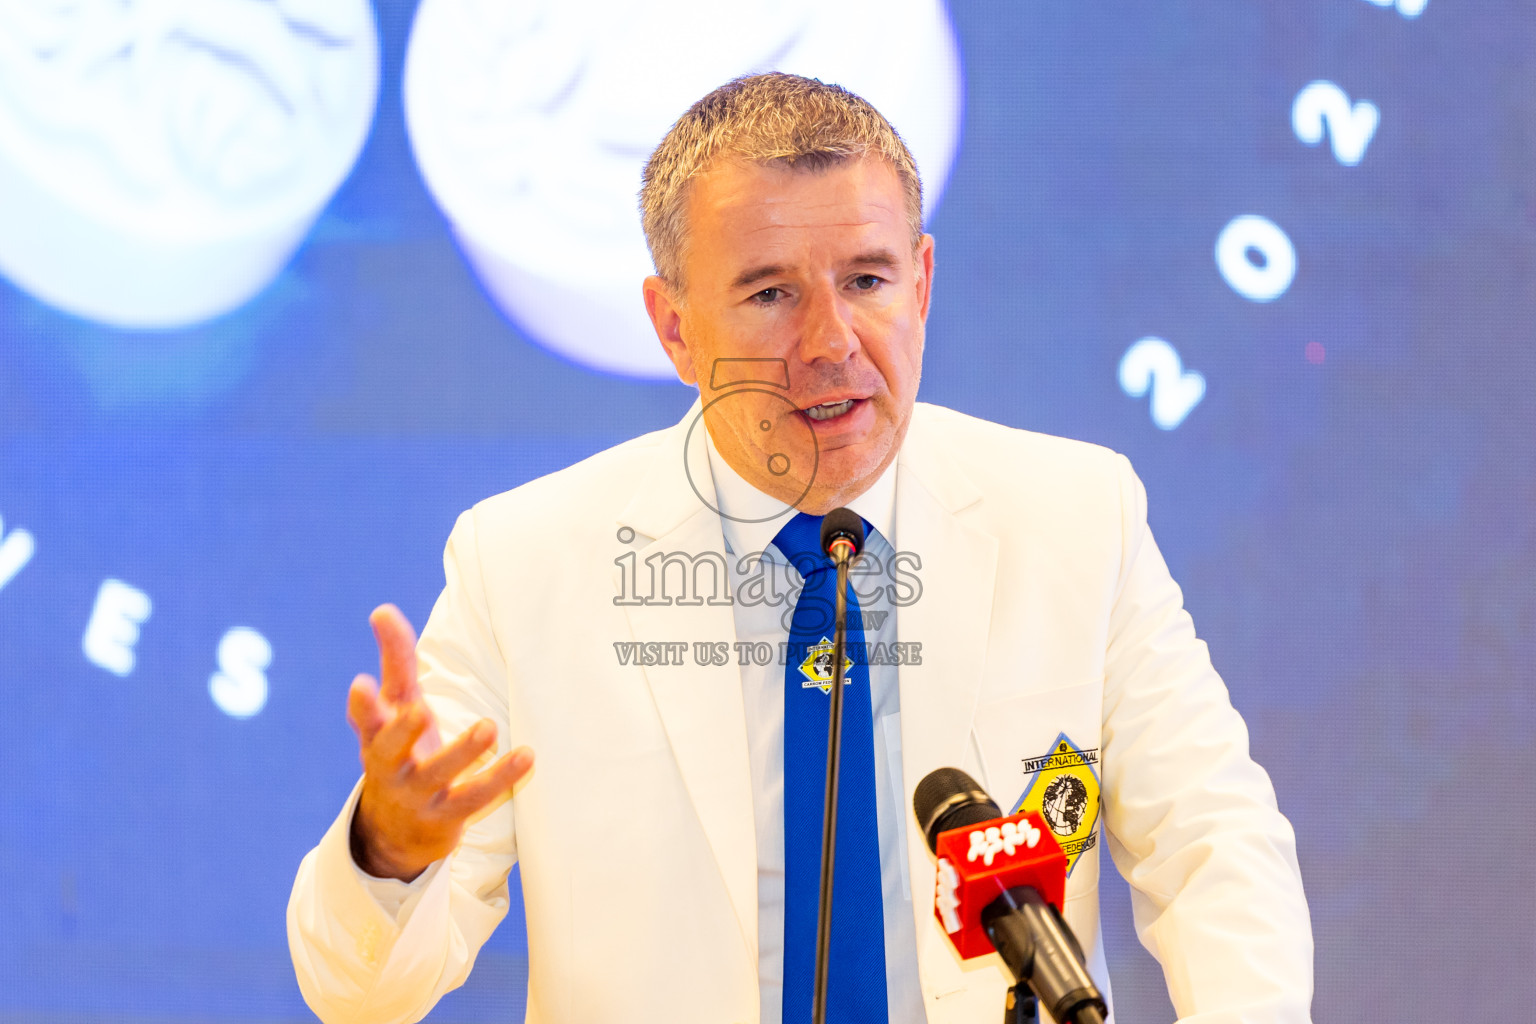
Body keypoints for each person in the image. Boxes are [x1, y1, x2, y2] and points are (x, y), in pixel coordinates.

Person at [287, 74, 1313, 1023]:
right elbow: (361, 992)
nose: (830, 340)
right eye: (770, 293)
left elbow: (1213, 844)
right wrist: (390, 849)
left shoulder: (1076, 512)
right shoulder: (523, 564)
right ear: (673, 325)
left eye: (866, 278)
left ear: (922, 283)